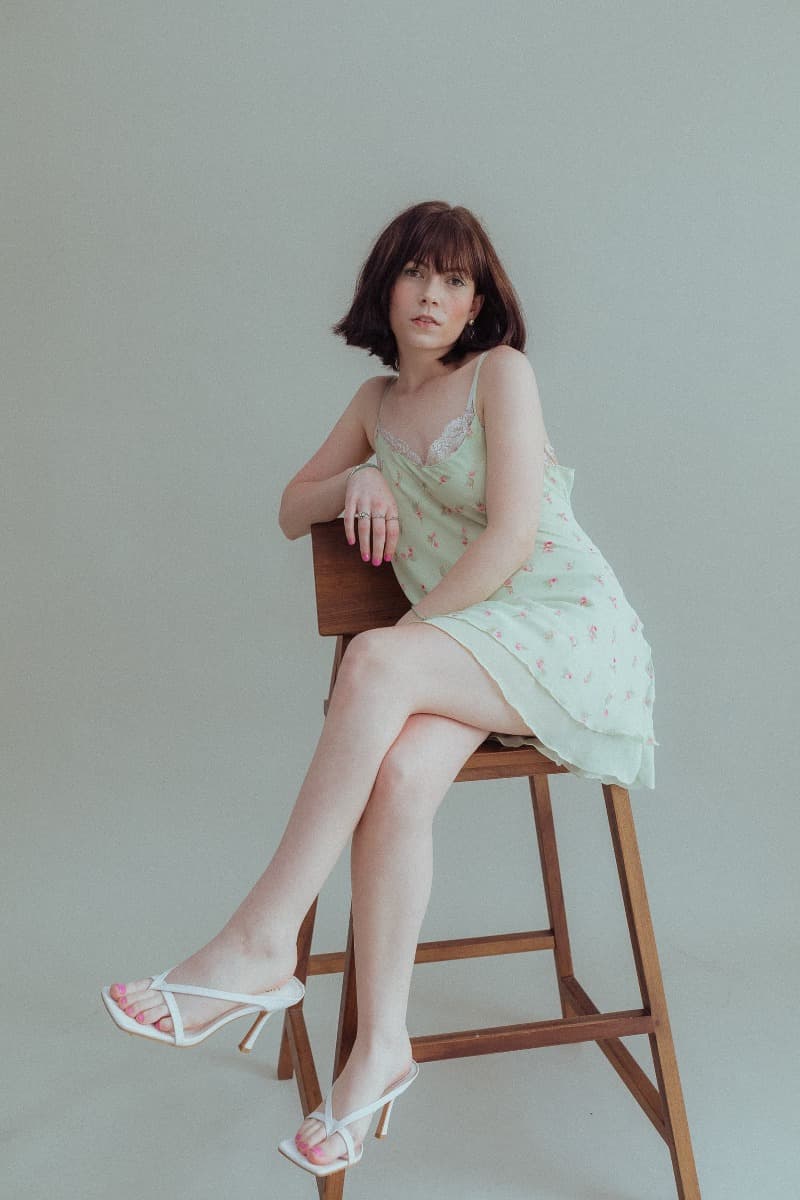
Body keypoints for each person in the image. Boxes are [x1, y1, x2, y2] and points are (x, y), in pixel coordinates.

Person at [101, 200, 657, 1177]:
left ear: (479, 299)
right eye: (415, 274)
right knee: (397, 774)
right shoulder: (373, 406)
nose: (432, 295)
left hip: (566, 630)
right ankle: (380, 1051)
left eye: (453, 280)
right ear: (384, 287)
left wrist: (398, 648)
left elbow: (511, 539)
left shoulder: (500, 375)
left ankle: (260, 942)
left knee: (376, 663)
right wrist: (358, 483)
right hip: (472, 644)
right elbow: (288, 509)